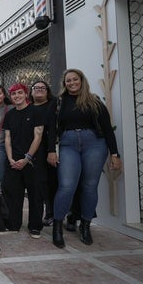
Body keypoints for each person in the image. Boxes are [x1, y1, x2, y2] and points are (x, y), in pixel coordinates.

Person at [48, 69, 122, 248]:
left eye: (75, 79)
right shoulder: (58, 102)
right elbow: (51, 128)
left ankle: (85, 226)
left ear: (82, 80)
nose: (72, 83)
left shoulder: (94, 101)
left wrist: (115, 154)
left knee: (90, 186)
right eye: (68, 80)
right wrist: (51, 150)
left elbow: (106, 129)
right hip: (68, 145)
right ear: (64, 83)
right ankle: (57, 227)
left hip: (95, 145)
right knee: (66, 186)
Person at [2, 83, 45, 238]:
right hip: (13, 160)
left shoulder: (36, 111)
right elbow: (7, 139)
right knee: (12, 193)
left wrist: (27, 158)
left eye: (20, 93)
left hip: (31, 160)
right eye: (13, 94)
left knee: (35, 194)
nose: (17, 96)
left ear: (26, 94)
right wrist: (10, 158)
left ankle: (35, 226)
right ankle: (13, 224)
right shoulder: (9, 115)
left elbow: (38, 136)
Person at [29, 80, 58, 227]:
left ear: (47, 91)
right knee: (40, 183)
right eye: (36, 88)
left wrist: (51, 150)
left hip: (50, 148)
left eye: (43, 88)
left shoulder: (53, 105)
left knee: (52, 182)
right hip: (35, 150)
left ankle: (52, 213)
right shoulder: (28, 108)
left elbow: (53, 128)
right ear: (31, 91)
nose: (39, 90)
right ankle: (45, 213)